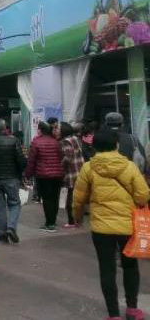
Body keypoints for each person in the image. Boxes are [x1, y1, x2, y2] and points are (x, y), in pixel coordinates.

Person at [73, 128, 150, 320]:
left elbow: (78, 198)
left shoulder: (88, 168)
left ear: (95, 146)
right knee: (130, 266)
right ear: (116, 145)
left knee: (106, 268)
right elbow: (143, 195)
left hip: (101, 228)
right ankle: (132, 309)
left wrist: (77, 217)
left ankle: (113, 314)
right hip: (127, 226)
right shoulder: (129, 166)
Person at [25, 121, 64, 232]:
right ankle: (53, 220)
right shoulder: (56, 142)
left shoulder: (36, 142)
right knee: (55, 198)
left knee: (46, 199)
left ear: (40, 130)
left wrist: (27, 174)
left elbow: (31, 161)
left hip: (43, 175)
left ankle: (49, 223)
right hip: (57, 175)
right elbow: (61, 157)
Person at [59, 122, 84, 229]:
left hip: (71, 172)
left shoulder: (65, 141)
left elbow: (68, 157)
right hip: (80, 170)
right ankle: (78, 220)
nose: (57, 130)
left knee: (70, 197)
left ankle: (71, 221)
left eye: (59, 128)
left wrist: (59, 164)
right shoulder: (75, 138)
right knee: (77, 197)